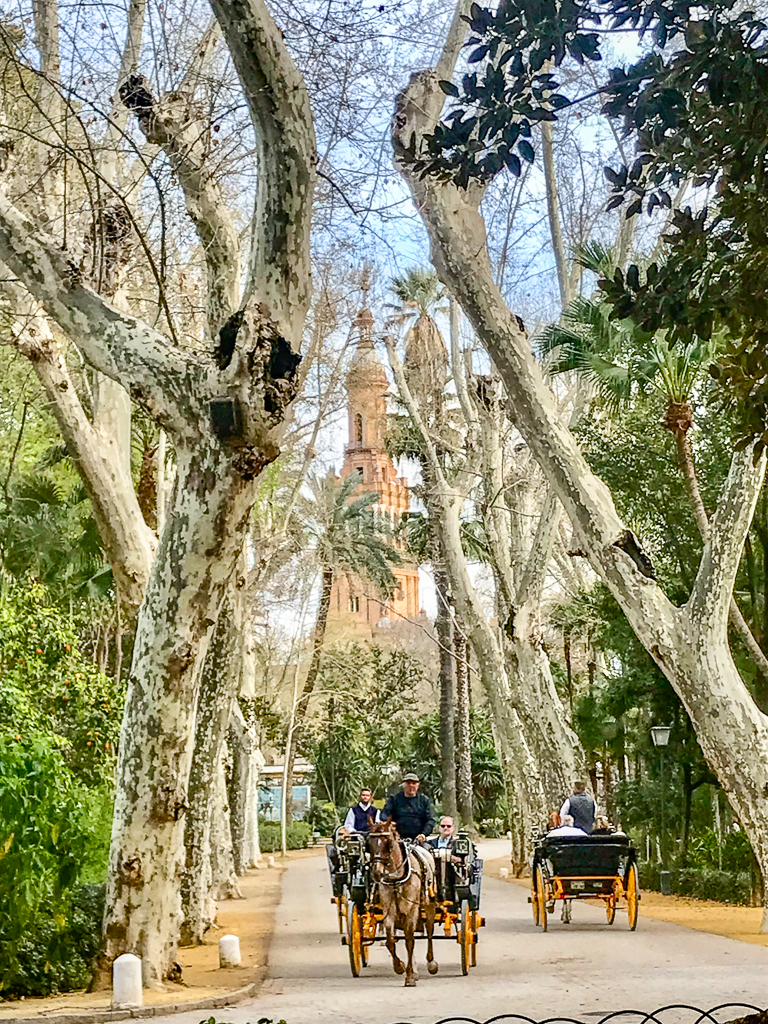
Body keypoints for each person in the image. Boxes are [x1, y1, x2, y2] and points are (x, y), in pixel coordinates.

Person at [381, 772, 435, 842]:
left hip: (418, 840)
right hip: (396, 839)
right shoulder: (394, 799)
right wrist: (388, 823)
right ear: (403, 785)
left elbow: (430, 819)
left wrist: (423, 834)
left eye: (414, 783)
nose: (411, 786)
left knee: (427, 852)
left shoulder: (424, 800)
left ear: (418, 786)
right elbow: (384, 814)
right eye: (408, 783)